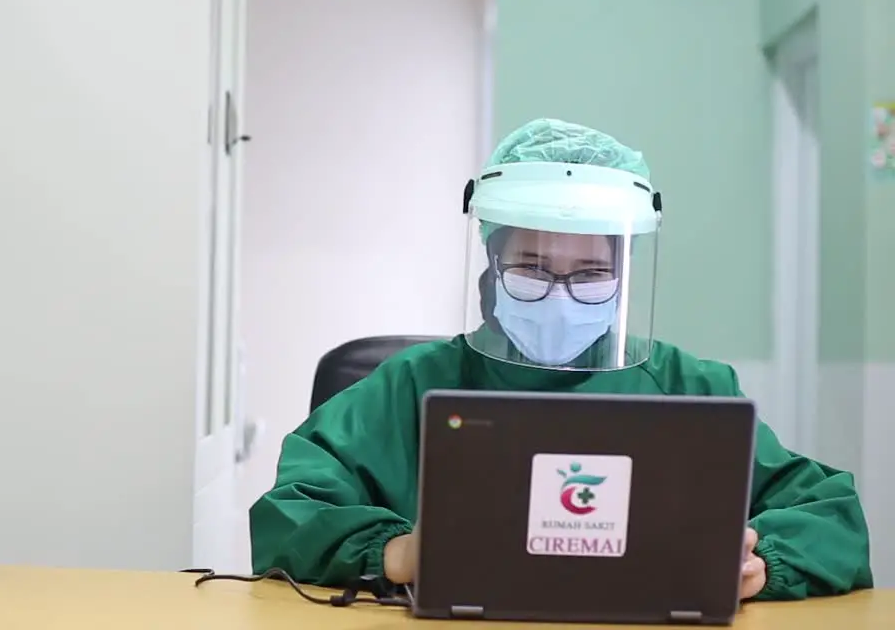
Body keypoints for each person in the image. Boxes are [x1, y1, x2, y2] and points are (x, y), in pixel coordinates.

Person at [248, 118, 872, 601]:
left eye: (592, 273)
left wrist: (764, 564)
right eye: (532, 268)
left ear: (624, 279)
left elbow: (831, 513)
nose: (562, 295)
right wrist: (398, 554)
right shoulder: (410, 387)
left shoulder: (689, 386)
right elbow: (289, 510)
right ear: (490, 269)